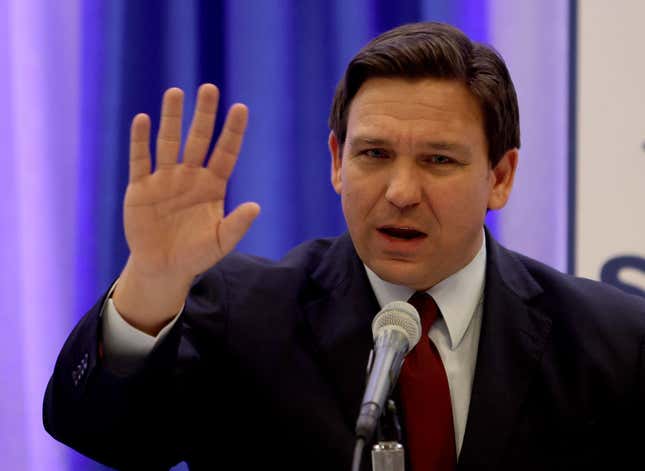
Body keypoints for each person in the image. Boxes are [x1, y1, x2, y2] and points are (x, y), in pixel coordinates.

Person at [43, 21, 645, 470]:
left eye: (438, 160)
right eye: (374, 155)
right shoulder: (241, 314)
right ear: (337, 161)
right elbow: (106, 437)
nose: (401, 192)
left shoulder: (611, 340)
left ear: (501, 176)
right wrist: (150, 284)